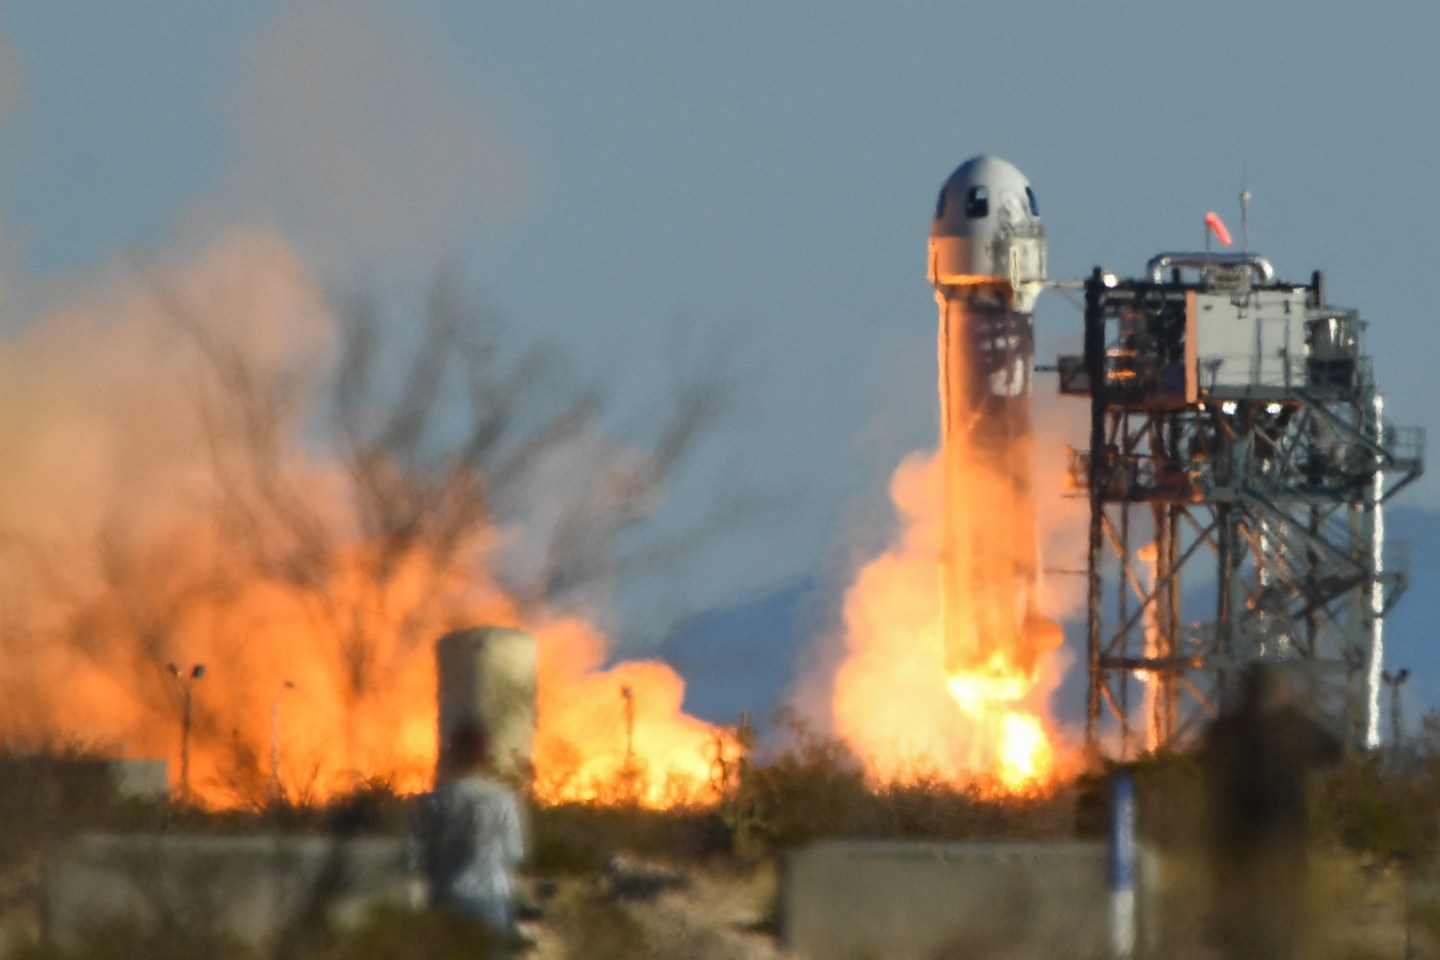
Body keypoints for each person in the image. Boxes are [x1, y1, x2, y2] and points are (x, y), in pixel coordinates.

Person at [1203, 663, 1341, 960]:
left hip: (1234, 841)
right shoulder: (1291, 727)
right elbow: (1333, 751)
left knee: (1236, 917)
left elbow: (1208, 761)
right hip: (1283, 838)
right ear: (1278, 691)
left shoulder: (1224, 730)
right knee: (1283, 916)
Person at [409, 722, 527, 952]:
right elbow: (515, 853)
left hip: (447, 897)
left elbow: (415, 858)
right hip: (492, 898)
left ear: (451, 756)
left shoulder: (433, 802)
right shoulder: (504, 800)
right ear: (484, 758)